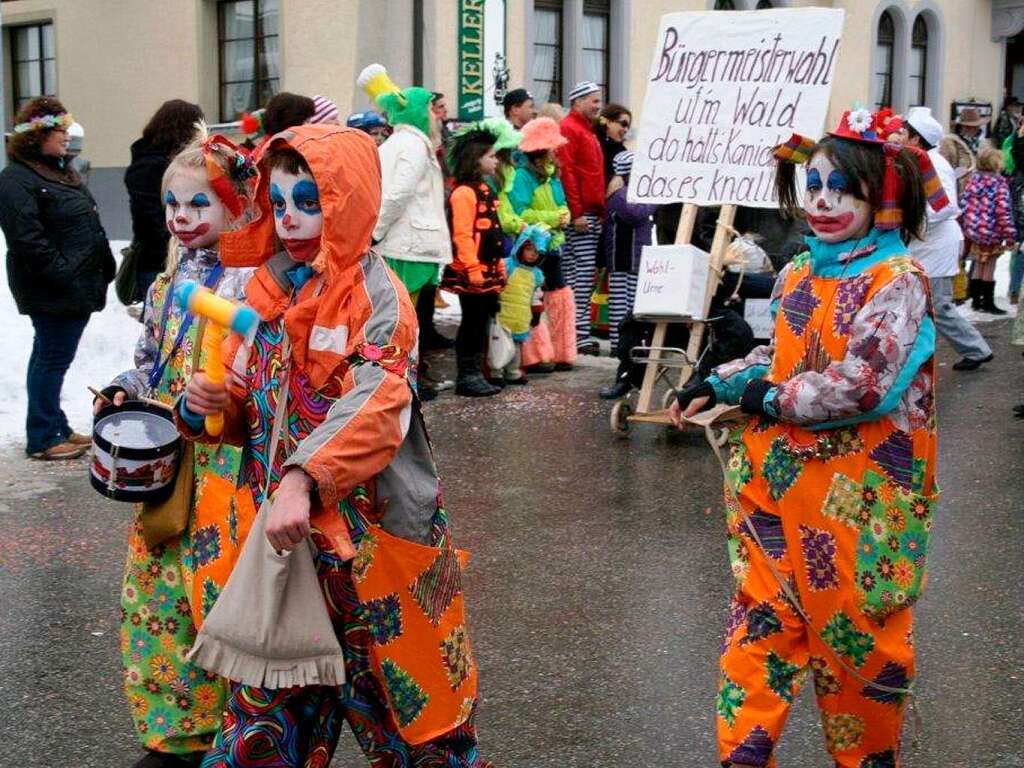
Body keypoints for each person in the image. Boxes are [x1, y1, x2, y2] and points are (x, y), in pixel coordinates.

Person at [181, 124, 490, 767]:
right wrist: (214, 408)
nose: (290, 219)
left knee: (419, 735)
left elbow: (376, 403)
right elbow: (251, 407)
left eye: (309, 201)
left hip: (371, 554)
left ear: (346, 202)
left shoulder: (381, 298)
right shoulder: (269, 293)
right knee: (258, 739)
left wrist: (302, 478)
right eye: (281, 202)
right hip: (287, 553)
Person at [672, 107, 945, 768]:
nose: (822, 202)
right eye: (814, 185)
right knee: (760, 629)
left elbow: (861, 385)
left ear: (882, 200)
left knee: (859, 651)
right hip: (778, 489)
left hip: (862, 505)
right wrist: (721, 378)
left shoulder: (896, 282)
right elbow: (783, 355)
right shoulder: (797, 273)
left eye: (841, 189)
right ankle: (742, 756)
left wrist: (764, 395)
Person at [97, 130, 257, 768]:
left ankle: (239, 731)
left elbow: (266, 377)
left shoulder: (254, 290)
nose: (180, 217)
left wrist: (227, 399)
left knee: (219, 600)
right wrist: (122, 390)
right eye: (172, 205)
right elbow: (148, 366)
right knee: (157, 600)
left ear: (235, 207)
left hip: (225, 469)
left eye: (198, 204)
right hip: (168, 473)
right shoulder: (166, 288)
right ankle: (176, 735)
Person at [0, 97, 115, 460]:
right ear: (36, 136)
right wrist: (65, 275)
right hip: (52, 288)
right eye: (58, 131)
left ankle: (55, 424)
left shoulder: (58, 170)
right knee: (51, 357)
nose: (67, 136)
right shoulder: (17, 179)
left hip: (73, 285)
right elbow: (27, 241)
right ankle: (43, 436)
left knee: (51, 357)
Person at [895, 106, 995, 370]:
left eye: (903, 133)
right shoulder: (916, 160)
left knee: (938, 304)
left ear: (916, 139)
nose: (898, 136)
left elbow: (947, 205)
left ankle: (976, 349)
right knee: (919, 302)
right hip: (925, 242)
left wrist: (909, 220)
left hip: (937, 244)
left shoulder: (934, 164)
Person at [441, 123, 506, 397]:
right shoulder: (464, 193)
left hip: (487, 267)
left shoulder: (485, 189)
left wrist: (498, 264)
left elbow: (492, 230)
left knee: (482, 321)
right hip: (472, 270)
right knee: (472, 322)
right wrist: (472, 268)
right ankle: (467, 375)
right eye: (491, 156)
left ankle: (477, 372)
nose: (496, 161)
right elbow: (463, 235)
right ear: (476, 158)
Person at [509, 116, 577, 370]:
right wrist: (554, 218)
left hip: (552, 244)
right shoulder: (522, 177)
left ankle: (562, 352)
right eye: (551, 146)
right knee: (532, 298)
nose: (555, 150)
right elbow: (520, 213)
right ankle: (536, 356)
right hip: (531, 248)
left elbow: (562, 204)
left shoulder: (552, 175)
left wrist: (564, 214)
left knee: (558, 294)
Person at [125, 99, 206, 300]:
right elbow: (151, 220)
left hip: (174, 257)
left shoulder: (164, 163)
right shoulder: (150, 166)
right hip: (159, 262)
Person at [600, 150, 655, 399]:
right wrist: (658, 198)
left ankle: (623, 348)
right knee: (623, 307)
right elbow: (637, 214)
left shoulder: (626, 193)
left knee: (630, 305)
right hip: (624, 260)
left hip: (635, 260)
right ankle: (618, 347)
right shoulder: (620, 195)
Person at [559, 81, 607, 355]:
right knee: (580, 273)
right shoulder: (570, 129)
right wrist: (577, 213)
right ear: (577, 102)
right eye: (593, 100)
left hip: (589, 212)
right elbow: (569, 174)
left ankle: (576, 334)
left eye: (598, 100)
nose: (598, 105)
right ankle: (578, 335)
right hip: (581, 214)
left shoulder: (584, 130)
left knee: (581, 273)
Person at [960, 145, 1017, 314]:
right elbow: (1003, 210)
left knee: (978, 263)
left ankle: (976, 300)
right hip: (992, 232)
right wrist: (1010, 234)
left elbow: (964, 205)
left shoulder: (973, 181)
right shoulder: (999, 184)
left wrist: (968, 226)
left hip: (974, 231)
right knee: (989, 265)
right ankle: (988, 302)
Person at [493, 226, 549, 385]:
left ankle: (513, 372)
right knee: (499, 345)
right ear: (520, 247)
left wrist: (536, 312)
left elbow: (536, 296)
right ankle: (496, 372)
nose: (533, 255)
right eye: (529, 250)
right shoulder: (508, 265)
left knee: (516, 347)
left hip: (521, 316)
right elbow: (497, 285)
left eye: (537, 252)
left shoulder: (536, 274)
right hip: (503, 314)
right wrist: (494, 301)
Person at [596, 103, 632, 185]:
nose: (626, 130)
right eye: (623, 124)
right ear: (608, 122)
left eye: (628, 127)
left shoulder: (621, 150)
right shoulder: (594, 143)